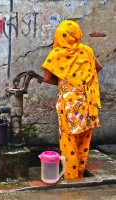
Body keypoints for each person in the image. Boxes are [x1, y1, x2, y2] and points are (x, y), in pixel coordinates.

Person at [41, 20, 102, 180]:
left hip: (69, 105)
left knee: (69, 144)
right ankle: (79, 176)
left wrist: (64, 82)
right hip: (88, 103)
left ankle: (72, 179)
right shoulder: (87, 51)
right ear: (77, 35)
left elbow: (47, 78)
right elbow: (98, 67)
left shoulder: (57, 54)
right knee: (84, 142)